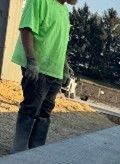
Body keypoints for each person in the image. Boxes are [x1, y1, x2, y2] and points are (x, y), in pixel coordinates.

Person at [10, 0, 77, 153]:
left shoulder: (64, 10)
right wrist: (31, 61)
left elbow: (61, 43)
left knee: (45, 113)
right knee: (31, 108)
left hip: (54, 70)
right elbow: (26, 29)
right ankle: (18, 152)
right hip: (38, 67)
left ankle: (36, 152)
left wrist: (65, 68)